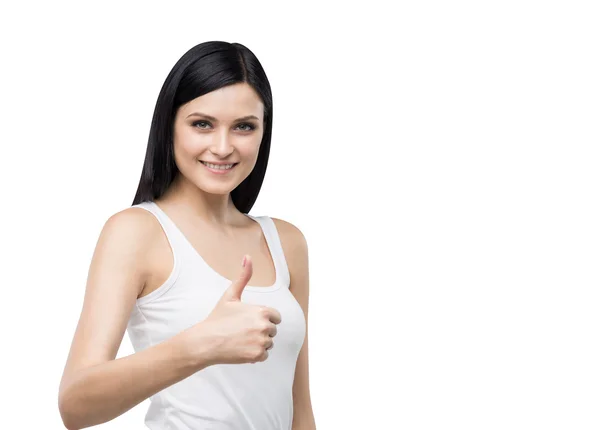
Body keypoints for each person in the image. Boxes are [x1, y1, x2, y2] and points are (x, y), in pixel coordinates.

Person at [58, 41, 316, 430]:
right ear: (169, 126)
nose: (223, 147)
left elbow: (301, 412)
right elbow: (75, 406)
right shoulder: (136, 232)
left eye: (244, 126)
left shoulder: (286, 242)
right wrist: (202, 345)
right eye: (202, 124)